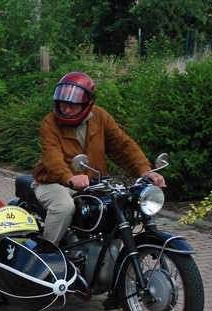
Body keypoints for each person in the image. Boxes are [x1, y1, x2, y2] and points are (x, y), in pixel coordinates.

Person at [32, 71, 166, 244]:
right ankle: (47, 255)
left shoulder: (100, 117)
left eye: (72, 105)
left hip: (93, 183)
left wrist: (145, 171)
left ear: (87, 104)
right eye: (62, 103)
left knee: (120, 206)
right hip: (53, 182)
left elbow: (123, 145)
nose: (65, 109)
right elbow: (52, 158)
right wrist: (70, 178)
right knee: (64, 207)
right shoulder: (49, 123)